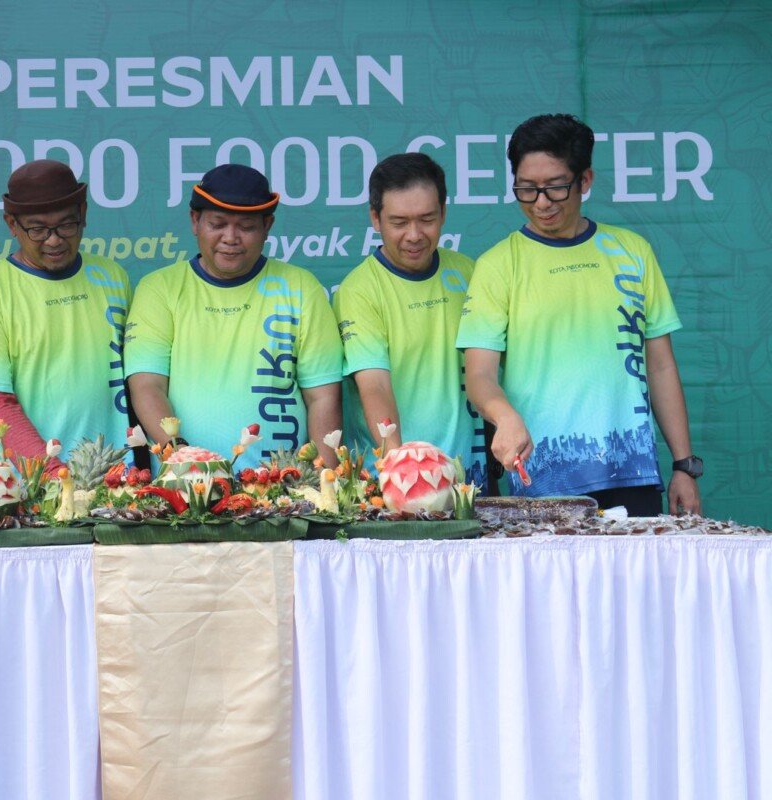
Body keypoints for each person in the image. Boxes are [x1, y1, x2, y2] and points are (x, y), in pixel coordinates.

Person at [457, 113, 702, 515]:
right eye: (526, 189)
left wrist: (683, 466)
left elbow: (660, 366)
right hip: (539, 480)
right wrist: (504, 416)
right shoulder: (497, 265)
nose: (541, 203)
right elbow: (479, 376)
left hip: (632, 473)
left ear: (584, 180)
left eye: (555, 187)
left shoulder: (633, 252)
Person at [125, 163, 343, 468]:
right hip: (183, 485)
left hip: (282, 485)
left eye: (246, 226)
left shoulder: (301, 287)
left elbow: (323, 397)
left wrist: (325, 478)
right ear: (195, 221)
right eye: (217, 224)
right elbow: (147, 386)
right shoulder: (159, 288)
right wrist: (186, 461)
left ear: (267, 226)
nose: (230, 237)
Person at [0, 159, 131, 469]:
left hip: (111, 482)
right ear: (12, 225)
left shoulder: (113, 276)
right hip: (26, 485)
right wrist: (54, 477)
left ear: (83, 214)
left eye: (66, 224)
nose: (54, 239)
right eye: (37, 229)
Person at [332, 153, 487, 486]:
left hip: (466, 477)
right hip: (394, 480)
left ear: (443, 212)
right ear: (376, 218)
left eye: (427, 219)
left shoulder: (468, 272)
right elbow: (374, 386)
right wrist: (402, 469)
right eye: (399, 222)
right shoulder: (359, 290)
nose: (414, 235)